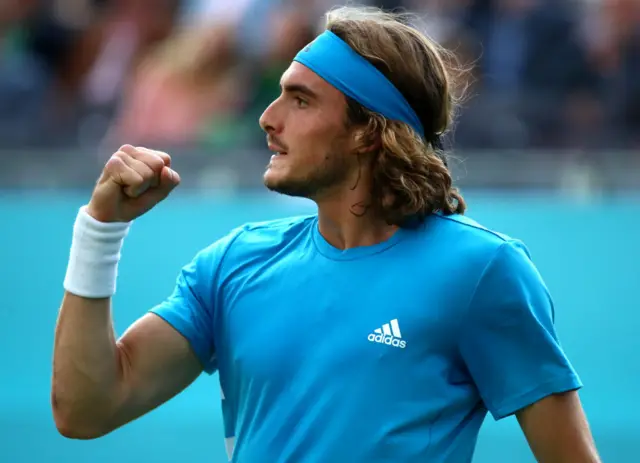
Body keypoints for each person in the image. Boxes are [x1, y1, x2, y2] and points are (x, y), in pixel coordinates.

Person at [51, 6, 602, 463]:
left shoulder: (483, 269)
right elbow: (86, 409)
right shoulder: (233, 264)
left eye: (301, 99)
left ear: (368, 130)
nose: (268, 117)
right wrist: (100, 230)